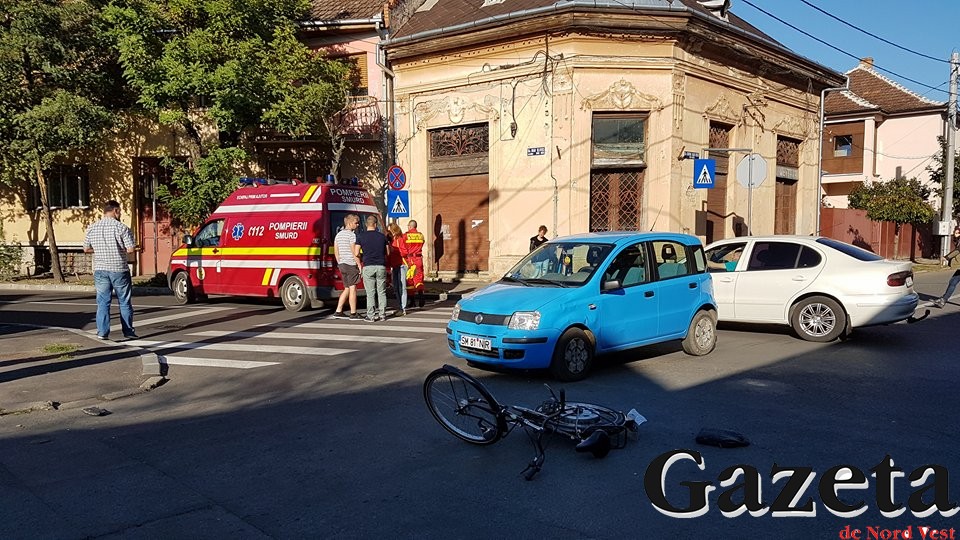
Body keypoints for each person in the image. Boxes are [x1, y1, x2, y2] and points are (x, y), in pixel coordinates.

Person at [83, 200, 137, 340]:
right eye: (119, 211)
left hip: (101, 269)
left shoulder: (92, 227)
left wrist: (100, 250)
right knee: (124, 301)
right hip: (119, 269)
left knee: (103, 302)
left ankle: (102, 332)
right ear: (115, 211)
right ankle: (128, 332)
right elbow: (130, 250)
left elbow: (86, 249)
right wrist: (120, 249)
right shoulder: (122, 228)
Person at [355, 215, 389, 322]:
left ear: (366, 225)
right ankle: (382, 314)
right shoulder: (382, 236)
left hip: (368, 266)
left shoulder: (360, 236)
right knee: (382, 291)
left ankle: (371, 315)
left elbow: (356, 252)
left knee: (370, 293)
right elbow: (388, 252)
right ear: (375, 224)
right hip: (381, 266)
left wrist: (362, 257)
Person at [332, 214, 361, 320]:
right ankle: (353, 313)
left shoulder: (338, 235)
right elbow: (354, 252)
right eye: (356, 223)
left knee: (347, 288)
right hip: (350, 263)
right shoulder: (351, 235)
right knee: (353, 288)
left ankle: (338, 310)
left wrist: (339, 262)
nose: (357, 225)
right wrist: (358, 264)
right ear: (349, 223)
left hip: (342, 264)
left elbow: (336, 251)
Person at [387, 222, 409, 316]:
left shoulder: (400, 239)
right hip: (394, 265)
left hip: (401, 265)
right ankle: (400, 305)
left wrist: (394, 250)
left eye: (389, 230)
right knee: (396, 287)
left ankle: (403, 307)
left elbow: (404, 252)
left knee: (402, 287)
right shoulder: (391, 240)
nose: (388, 232)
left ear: (394, 231)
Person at [404, 219, 426, 308]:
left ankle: (412, 301)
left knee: (410, 280)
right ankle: (421, 297)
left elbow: (403, 248)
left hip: (410, 259)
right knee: (419, 278)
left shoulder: (406, 235)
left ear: (410, 226)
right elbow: (422, 243)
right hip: (419, 259)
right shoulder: (421, 235)